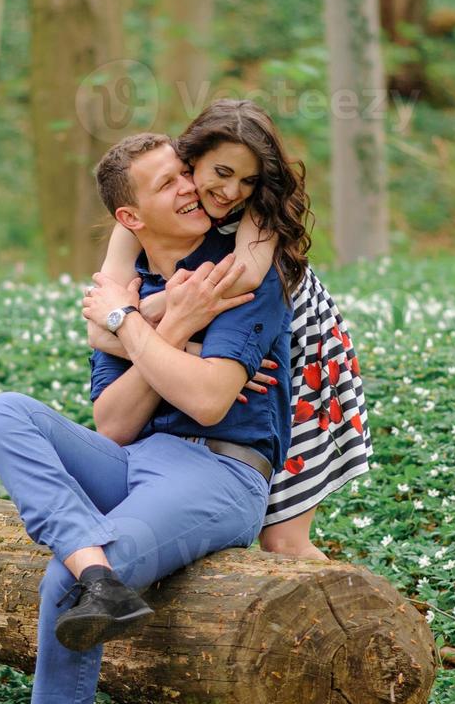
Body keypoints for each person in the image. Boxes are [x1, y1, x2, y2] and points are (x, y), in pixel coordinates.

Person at [0, 132, 292, 704]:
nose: (189, 188)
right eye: (166, 183)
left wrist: (135, 329)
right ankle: (90, 558)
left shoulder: (234, 270)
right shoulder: (128, 288)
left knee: (69, 584)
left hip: (220, 472)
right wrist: (166, 327)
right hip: (138, 460)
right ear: (131, 219)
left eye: (185, 173)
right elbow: (114, 424)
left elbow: (207, 400)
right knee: (2, 410)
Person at [92, 100, 371, 561]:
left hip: (307, 356)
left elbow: (241, 279)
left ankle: (371, 619)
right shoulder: (142, 214)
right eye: (220, 172)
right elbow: (101, 329)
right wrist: (183, 339)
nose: (230, 191)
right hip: (239, 346)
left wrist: (151, 307)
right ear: (189, 159)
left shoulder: (259, 215)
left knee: (283, 539)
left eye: (247, 179)